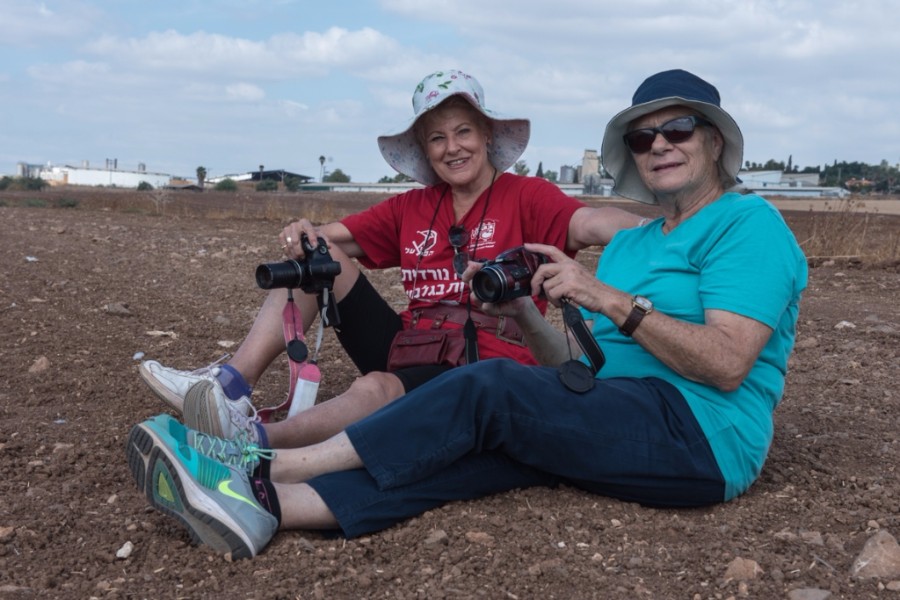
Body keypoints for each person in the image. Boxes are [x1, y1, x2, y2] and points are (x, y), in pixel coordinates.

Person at [126, 68, 808, 559]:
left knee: (485, 387)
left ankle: (254, 466)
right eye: (643, 137)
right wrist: (525, 309)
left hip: (698, 437)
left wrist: (601, 295)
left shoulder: (748, 223)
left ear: (714, 140)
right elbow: (575, 370)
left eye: (678, 129)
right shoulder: (636, 246)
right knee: (466, 454)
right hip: (611, 407)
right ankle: (266, 511)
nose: (660, 144)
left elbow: (725, 364)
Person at [138, 69, 642, 448]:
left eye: (463, 131)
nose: (453, 148)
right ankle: (230, 387)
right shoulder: (413, 206)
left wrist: (664, 229)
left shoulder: (527, 196)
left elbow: (592, 222)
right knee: (318, 257)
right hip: (414, 346)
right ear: (424, 149)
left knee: (375, 388)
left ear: (487, 136)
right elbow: (328, 238)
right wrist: (302, 232)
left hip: (488, 360)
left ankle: (251, 443)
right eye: (437, 138)